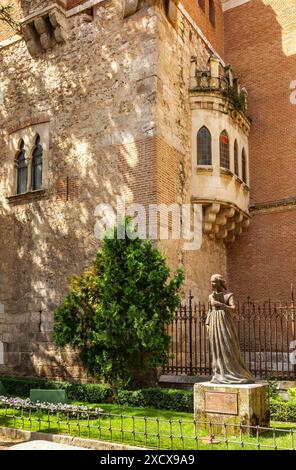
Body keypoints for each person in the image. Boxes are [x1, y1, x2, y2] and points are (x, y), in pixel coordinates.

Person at [206, 274, 254, 384]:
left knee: (228, 347)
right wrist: (207, 324)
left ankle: (233, 371)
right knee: (217, 349)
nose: (212, 284)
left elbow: (233, 309)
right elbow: (209, 311)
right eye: (211, 282)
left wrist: (221, 305)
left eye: (214, 282)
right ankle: (219, 373)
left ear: (220, 282)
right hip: (214, 323)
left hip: (225, 324)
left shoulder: (229, 295)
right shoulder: (210, 297)